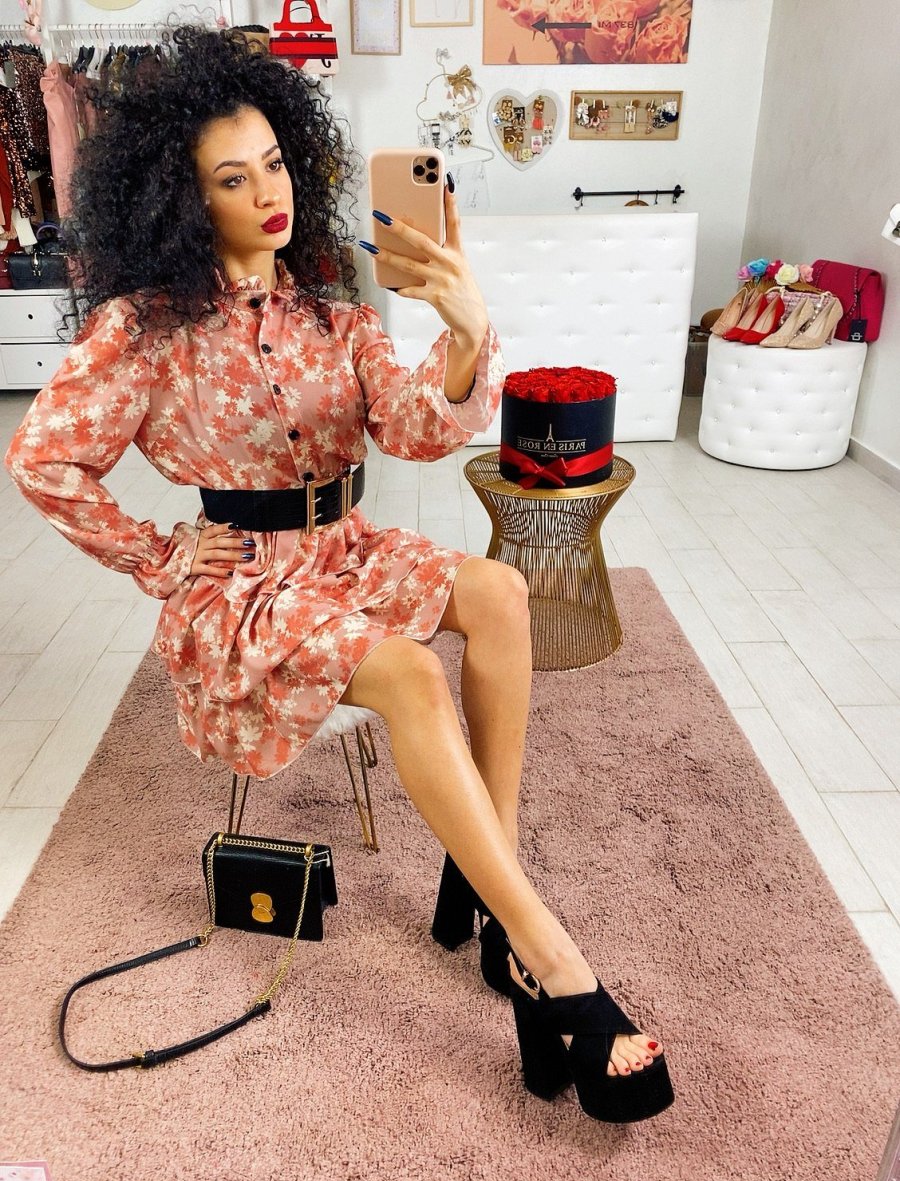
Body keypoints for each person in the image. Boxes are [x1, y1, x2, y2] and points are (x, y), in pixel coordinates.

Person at [4, 26, 672, 1123]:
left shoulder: (332, 311)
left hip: (343, 549)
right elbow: (42, 460)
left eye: (274, 163)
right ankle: (552, 960)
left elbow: (415, 429)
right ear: (184, 200)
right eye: (232, 178)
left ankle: (490, 891)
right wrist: (160, 554)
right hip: (246, 589)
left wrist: (465, 333)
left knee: (501, 592)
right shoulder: (147, 332)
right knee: (411, 671)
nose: (267, 193)